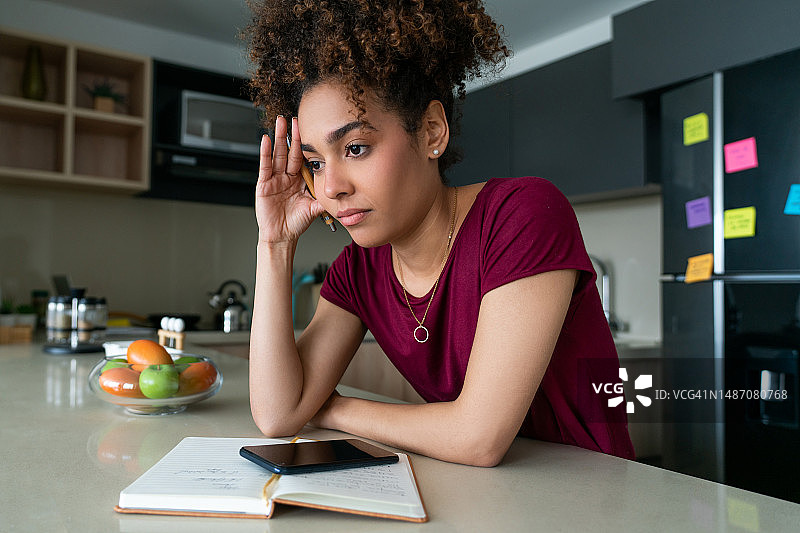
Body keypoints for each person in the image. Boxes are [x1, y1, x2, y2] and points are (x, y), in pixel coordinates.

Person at [244, 0, 635, 466]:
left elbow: (478, 439)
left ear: (431, 131)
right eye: (315, 162)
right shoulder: (359, 269)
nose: (331, 187)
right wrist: (275, 243)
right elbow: (278, 415)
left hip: (592, 490)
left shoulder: (523, 214)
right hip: (475, 495)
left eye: (356, 148)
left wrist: (334, 409)